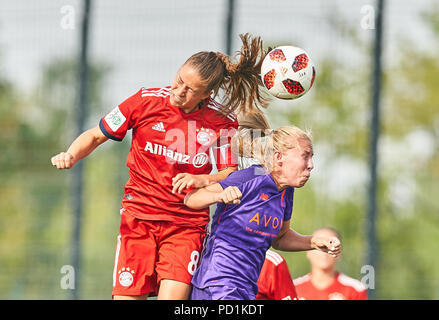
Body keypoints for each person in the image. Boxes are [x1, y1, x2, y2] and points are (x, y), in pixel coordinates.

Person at [50, 33, 271, 300]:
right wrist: (71, 154)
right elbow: (96, 135)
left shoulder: (221, 121)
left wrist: (202, 180)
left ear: (207, 94)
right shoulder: (144, 101)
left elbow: (229, 173)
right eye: (179, 80)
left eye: (190, 90)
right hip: (139, 219)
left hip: (186, 224)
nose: (179, 91)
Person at [185, 122, 342, 300]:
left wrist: (314, 243)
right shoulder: (252, 177)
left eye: (312, 157)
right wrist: (219, 196)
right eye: (305, 156)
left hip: (247, 288)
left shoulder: (286, 192)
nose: (311, 165)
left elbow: (281, 238)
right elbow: (191, 198)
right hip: (218, 284)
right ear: (279, 157)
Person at [293, 227, 368, 300]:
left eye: (331, 246)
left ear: (339, 252)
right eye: (318, 247)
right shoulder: (294, 287)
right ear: (308, 252)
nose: (324, 252)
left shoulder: (355, 289)